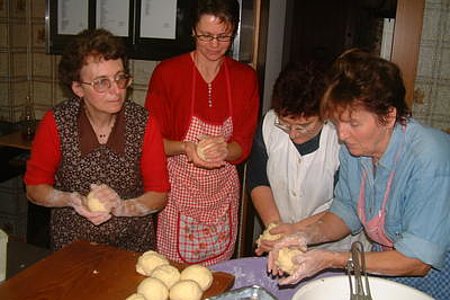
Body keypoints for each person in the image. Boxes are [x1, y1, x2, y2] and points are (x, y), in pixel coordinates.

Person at [267, 49, 450, 299]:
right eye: (336, 122)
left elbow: (417, 261)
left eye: (353, 124)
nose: (342, 135)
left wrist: (331, 259)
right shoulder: (357, 150)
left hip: (436, 276)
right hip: (388, 264)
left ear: (388, 116)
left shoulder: (430, 159)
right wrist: (304, 236)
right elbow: (346, 211)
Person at [24, 28, 170, 253]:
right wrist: (71, 199)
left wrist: (122, 207)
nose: (116, 90)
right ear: (77, 88)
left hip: (131, 249)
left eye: (120, 78)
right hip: (73, 248)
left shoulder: (143, 123)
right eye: (102, 82)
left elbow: (159, 195)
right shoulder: (57, 122)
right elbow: (34, 188)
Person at [144, 0, 259, 265]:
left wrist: (224, 150)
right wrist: (186, 148)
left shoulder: (245, 77)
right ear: (192, 30)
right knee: (174, 275)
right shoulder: (168, 73)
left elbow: (243, 142)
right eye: (206, 35)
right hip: (179, 193)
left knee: (218, 277)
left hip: (222, 195)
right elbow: (152, 142)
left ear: (234, 32)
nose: (214, 44)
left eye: (223, 36)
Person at [247, 62, 368, 256]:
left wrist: (297, 230)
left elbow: (346, 204)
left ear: (326, 113)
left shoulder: (343, 140)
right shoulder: (269, 124)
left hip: (336, 249)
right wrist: (274, 226)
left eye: (304, 126)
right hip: (284, 239)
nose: (293, 134)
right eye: (286, 124)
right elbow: (258, 181)